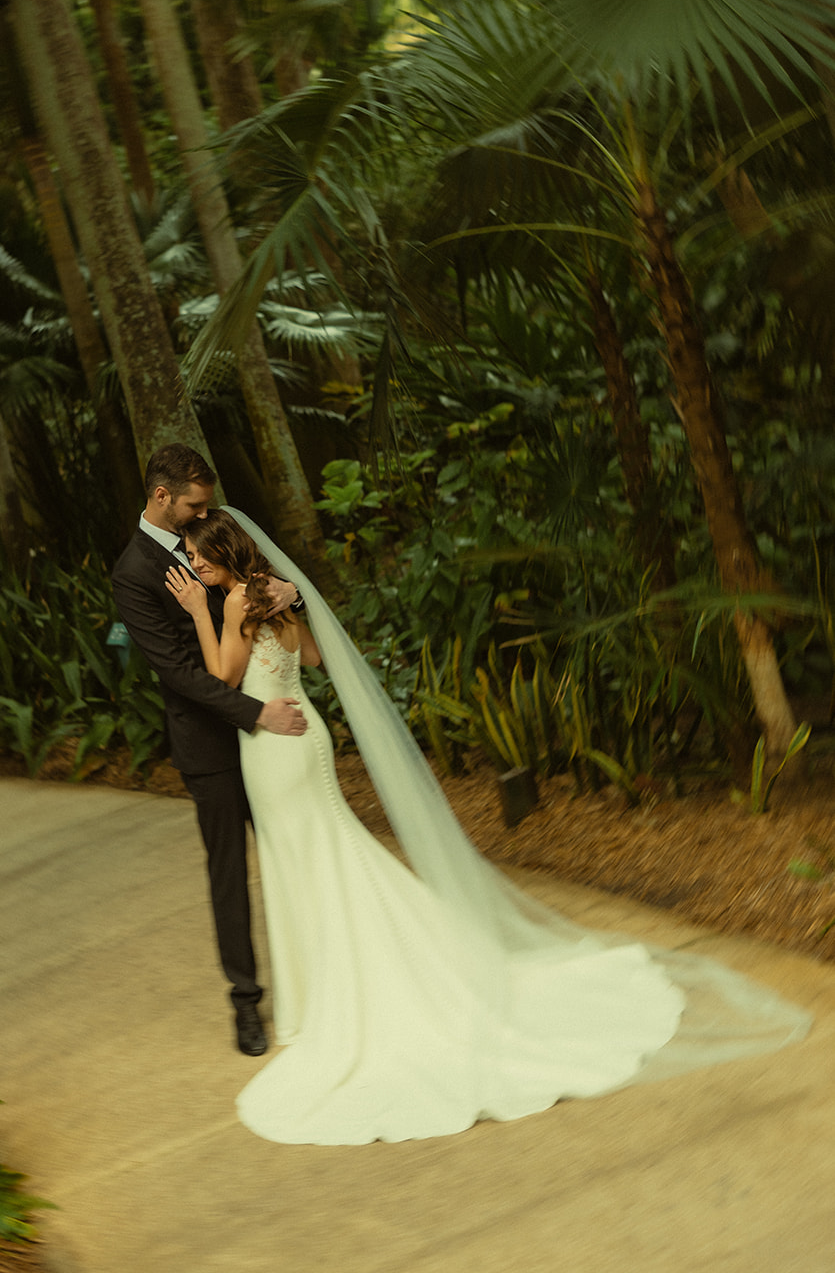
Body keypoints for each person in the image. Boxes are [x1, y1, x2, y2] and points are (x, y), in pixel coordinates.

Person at [168, 507, 812, 1147]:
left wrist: (201, 613)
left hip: (273, 752)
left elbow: (221, 678)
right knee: (331, 852)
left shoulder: (231, 607)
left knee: (305, 863)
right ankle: (363, 974)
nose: (193, 565)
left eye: (199, 556)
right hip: (308, 739)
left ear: (223, 552)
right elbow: (309, 659)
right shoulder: (275, 600)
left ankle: (334, 996)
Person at [110, 444, 306, 1057]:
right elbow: (176, 674)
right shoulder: (133, 572)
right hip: (213, 744)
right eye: (195, 502)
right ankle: (246, 1003)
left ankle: (321, 972)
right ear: (161, 496)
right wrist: (256, 714)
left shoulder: (217, 530)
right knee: (229, 873)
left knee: (299, 848)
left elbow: (271, 591)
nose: (206, 511)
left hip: (271, 732)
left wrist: (288, 595)